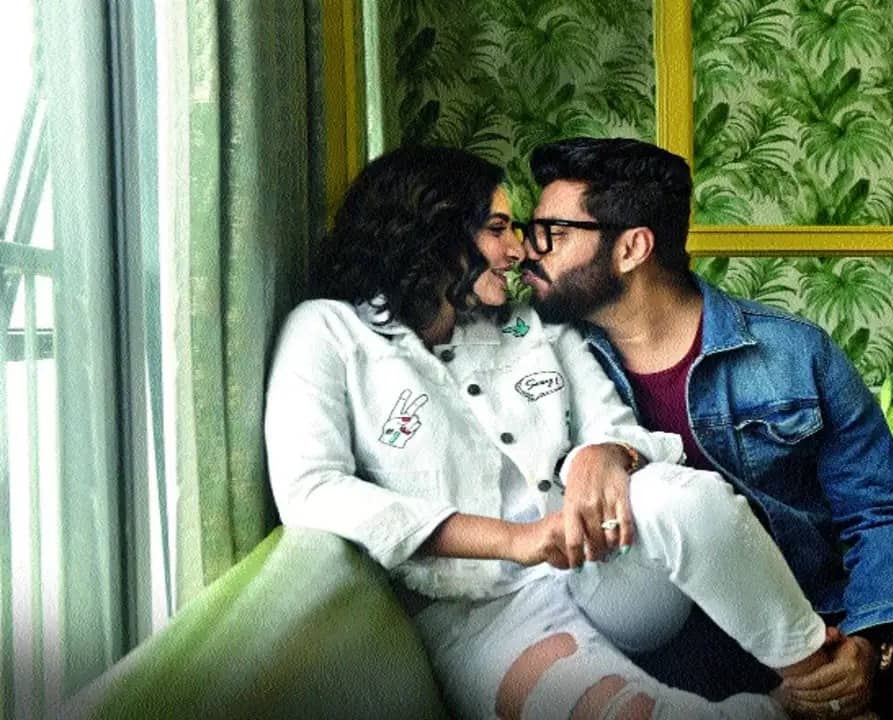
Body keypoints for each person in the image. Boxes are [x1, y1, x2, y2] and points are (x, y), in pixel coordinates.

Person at [263, 145, 839, 720]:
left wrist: (604, 453)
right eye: (497, 230)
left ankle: (822, 680)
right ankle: (784, 712)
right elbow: (311, 491)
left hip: (602, 562)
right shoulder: (328, 332)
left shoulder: (532, 326)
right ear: (433, 234)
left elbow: (621, 430)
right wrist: (512, 539)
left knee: (684, 495)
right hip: (484, 613)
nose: (518, 250)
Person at [521, 136, 893, 720]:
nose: (526, 252)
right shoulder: (541, 370)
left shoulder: (795, 352)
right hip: (670, 645)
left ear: (631, 248)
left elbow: (880, 510)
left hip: (826, 614)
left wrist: (869, 639)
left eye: (552, 234)